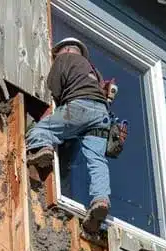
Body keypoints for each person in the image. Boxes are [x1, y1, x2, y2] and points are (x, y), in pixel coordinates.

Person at [26, 37, 111, 233]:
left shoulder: (64, 60)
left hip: (79, 106)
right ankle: (100, 200)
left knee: (42, 130)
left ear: (63, 50)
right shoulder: (94, 70)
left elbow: (53, 87)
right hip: (102, 115)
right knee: (97, 159)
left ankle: (43, 148)